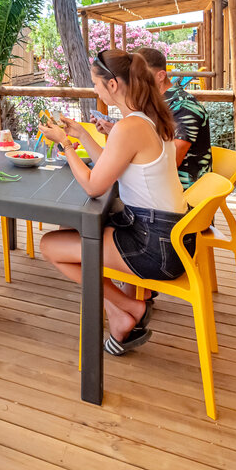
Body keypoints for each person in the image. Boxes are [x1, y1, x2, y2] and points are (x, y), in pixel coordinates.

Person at [37, 49, 194, 355]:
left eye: (96, 83)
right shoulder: (146, 119)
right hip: (171, 238)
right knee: (70, 230)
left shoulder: (130, 127)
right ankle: (122, 313)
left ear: (112, 85)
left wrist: (65, 144)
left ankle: (128, 308)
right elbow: (111, 164)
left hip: (156, 247)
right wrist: (82, 135)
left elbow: (95, 186)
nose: (94, 89)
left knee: (50, 245)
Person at [87, 46, 212, 189]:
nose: (135, 80)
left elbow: (171, 160)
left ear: (160, 76)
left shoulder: (184, 106)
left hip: (184, 193)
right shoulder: (153, 104)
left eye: (142, 75)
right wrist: (115, 131)